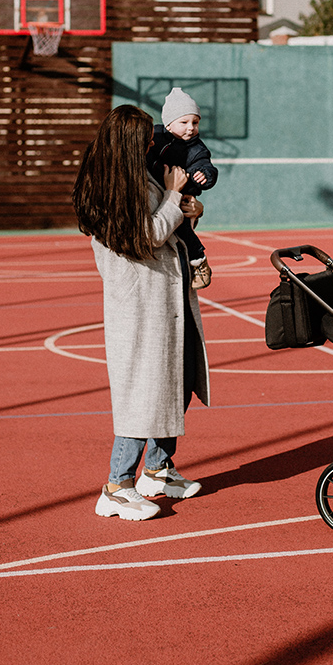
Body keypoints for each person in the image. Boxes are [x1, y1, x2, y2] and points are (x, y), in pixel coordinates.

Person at [72, 104, 210, 521]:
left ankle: (157, 469)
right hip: (140, 306)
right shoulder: (110, 190)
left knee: (179, 382)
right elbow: (148, 234)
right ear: (127, 145)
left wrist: (188, 211)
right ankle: (117, 486)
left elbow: (167, 226)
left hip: (168, 296)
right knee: (143, 394)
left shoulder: (139, 175)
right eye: (146, 140)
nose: (154, 143)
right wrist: (171, 196)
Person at [147, 87, 218, 289]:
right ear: (169, 124)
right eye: (184, 122)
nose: (190, 128)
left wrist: (204, 176)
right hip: (161, 191)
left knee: (183, 229)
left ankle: (198, 259)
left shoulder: (197, 148)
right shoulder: (155, 138)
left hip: (183, 195)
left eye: (195, 122)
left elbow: (206, 166)